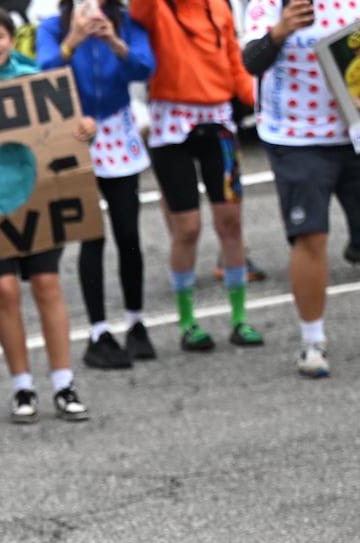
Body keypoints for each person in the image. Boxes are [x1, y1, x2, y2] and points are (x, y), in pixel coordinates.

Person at [0, 6, 93, 423]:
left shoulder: (36, 79)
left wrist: (84, 128)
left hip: (37, 198)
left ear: (12, 40)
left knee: (48, 284)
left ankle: (64, 383)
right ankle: (22, 387)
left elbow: (66, 128)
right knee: (5, 290)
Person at [130, 0, 264, 352]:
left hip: (219, 123)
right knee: (187, 228)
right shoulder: (155, 7)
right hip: (171, 126)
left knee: (231, 222)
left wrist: (262, 103)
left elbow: (235, 60)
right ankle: (187, 322)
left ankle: (239, 318)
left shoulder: (218, 5)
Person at [36, 0, 157, 369]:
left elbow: (145, 68)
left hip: (118, 129)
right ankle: (98, 331)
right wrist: (72, 41)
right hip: (76, 132)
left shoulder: (127, 22)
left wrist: (114, 42)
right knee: (92, 236)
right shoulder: (52, 27)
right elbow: (42, 76)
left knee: (128, 232)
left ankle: (136, 322)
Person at [242, 0, 360, 377]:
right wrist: (280, 31)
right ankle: (312, 340)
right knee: (311, 236)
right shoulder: (271, 4)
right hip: (297, 138)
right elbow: (251, 61)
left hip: (353, 129)